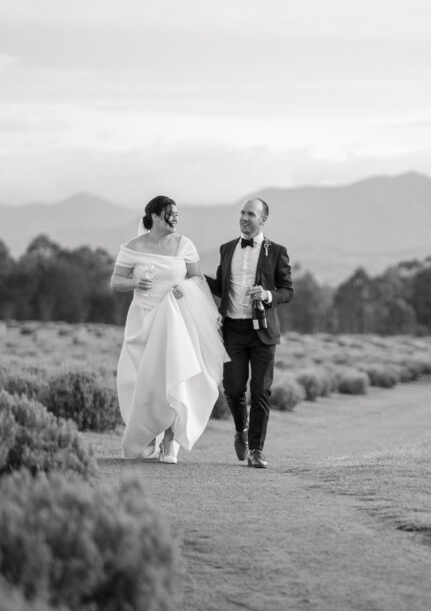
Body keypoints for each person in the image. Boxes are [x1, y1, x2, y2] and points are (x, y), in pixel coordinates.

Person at [110, 196, 227, 464]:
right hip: (142, 320)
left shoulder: (184, 245)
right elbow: (116, 281)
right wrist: (135, 283)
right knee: (141, 381)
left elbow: (197, 279)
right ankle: (149, 435)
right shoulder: (131, 248)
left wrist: (184, 288)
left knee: (174, 376)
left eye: (176, 214)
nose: (174, 218)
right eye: (168, 214)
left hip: (175, 320)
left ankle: (170, 441)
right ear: (153, 216)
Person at [206, 197, 293, 468]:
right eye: (242, 212)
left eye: (251, 214)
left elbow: (287, 291)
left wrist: (266, 295)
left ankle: (256, 449)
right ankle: (240, 430)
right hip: (233, 329)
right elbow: (221, 288)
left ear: (263, 219)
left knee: (260, 391)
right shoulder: (227, 248)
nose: (244, 217)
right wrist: (194, 277)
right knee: (232, 388)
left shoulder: (276, 251)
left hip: (263, 333)